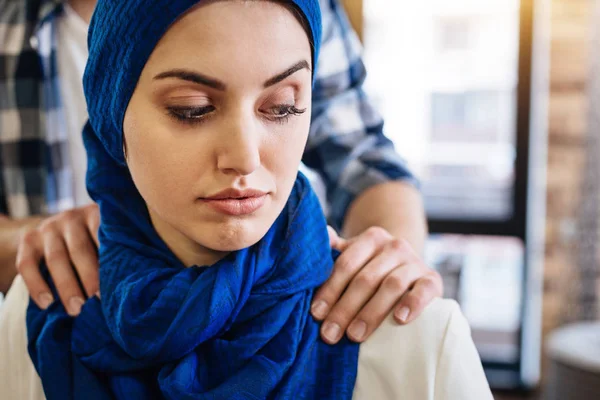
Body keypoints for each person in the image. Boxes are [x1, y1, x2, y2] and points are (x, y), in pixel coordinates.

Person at [21, 0, 492, 398]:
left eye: (284, 106)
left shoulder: (422, 341)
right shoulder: (33, 314)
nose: (245, 158)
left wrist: (383, 265)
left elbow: (366, 158)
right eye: (192, 109)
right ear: (112, 123)